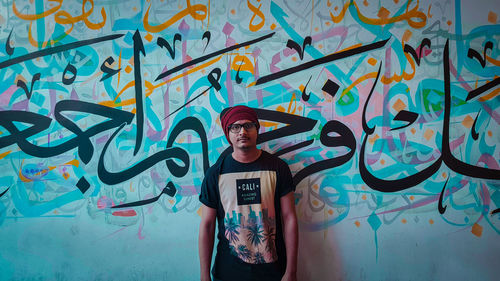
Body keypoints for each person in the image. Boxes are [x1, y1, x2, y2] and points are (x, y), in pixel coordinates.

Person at [198, 105, 298, 281]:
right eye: (235, 127)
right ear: (228, 133)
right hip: (228, 273)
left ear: (257, 129)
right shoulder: (216, 174)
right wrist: (204, 275)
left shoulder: (277, 168)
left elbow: (289, 218)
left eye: (248, 125)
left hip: (274, 273)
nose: (242, 131)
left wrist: (291, 272)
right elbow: (207, 226)